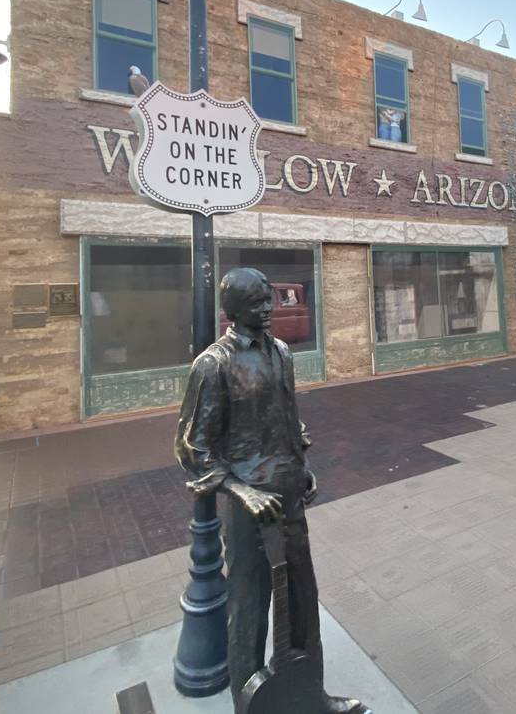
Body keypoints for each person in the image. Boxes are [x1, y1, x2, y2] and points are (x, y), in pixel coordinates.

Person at [176, 268, 367, 714]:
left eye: (269, 300)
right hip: (249, 507)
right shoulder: (213, 365)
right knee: (249, 604)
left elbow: (286, 416)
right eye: (257, 302)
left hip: (288, 494)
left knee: (303, 595)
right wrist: (241, 491)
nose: (268, 308)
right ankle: (249, 702)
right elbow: (193, 448)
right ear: (232, 311)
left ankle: (311, 695)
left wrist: (301, 465)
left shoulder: (281, 351)